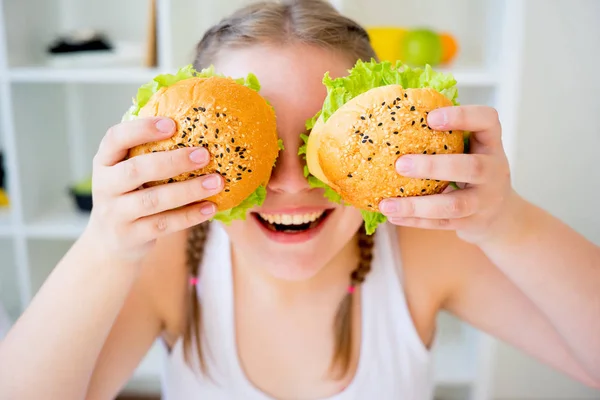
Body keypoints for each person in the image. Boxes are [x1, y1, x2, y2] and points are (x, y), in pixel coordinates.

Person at [1, 1, 599, 399]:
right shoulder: (170, 262)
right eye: (254, 149)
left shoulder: (421, 250)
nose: (290, 183)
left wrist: (509, 223)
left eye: (319, 143)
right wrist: (105, 246)